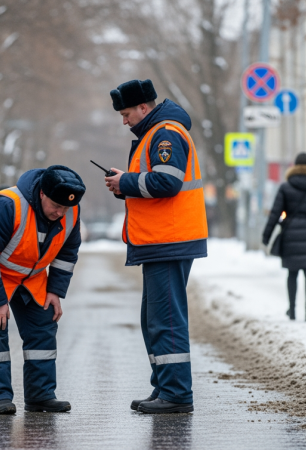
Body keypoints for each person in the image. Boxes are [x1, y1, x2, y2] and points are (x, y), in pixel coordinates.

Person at [103, 79, 207, 414]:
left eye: (127, 113)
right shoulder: (154, 133)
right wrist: (125, 185)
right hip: (162, 239)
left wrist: (127, 182)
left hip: (170, 239)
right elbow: (157, 181)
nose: (124, 120)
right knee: (155, 318)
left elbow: (168, 182)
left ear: (143, 108)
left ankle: (176, 394)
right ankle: (164, 386)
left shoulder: (165, 133)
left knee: (166, 320)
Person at [0, 165, 84, 414]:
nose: (60, 213)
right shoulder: (8, 205)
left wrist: (55, 291)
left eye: (65, 208)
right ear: (41, 194)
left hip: (31, 275)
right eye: (55, 206)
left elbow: (67, 253)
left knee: (43, 328)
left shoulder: (70, 212)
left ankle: (41, 396)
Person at [262, 153, 306, 322]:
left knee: (292, 273)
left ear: (294, 167)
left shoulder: (285, 188)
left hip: (290, 234)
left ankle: (292, 311)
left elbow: (275, 213)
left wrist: (267, 235)